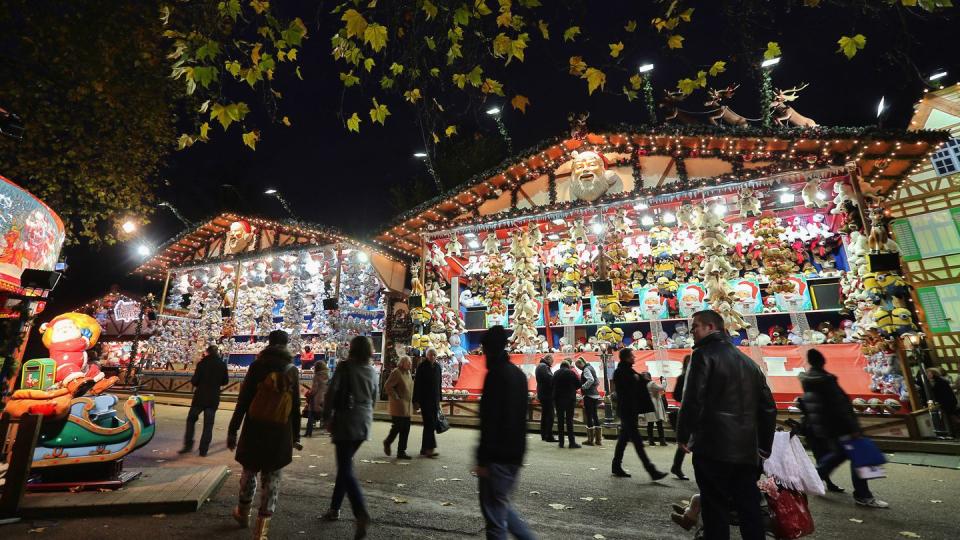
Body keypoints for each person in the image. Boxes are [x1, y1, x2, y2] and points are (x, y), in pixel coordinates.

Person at [677, 310, 777, 540]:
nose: (691, 332)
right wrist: (763, 447)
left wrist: (683, 435)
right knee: (748, 507)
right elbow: (768, 408)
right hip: (746, 450)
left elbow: (692, 399)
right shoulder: (749, 363)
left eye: (695, 327)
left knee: (715, 507)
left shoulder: (702, 355)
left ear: (711, 327)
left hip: (713, 445)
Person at [227, 330, 301, 538]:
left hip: (255, 427)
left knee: (249, 471)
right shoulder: (291, 370)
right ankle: (261, 531)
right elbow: (295, 406)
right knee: (273, 476)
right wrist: (296, 436)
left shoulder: (256, 366)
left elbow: (244, 400)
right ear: (286, 345)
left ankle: (243, 513)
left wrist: (233, 429)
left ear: (269, 343)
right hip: (280, 430)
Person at [799, 348, 889, 508]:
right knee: (859, 459)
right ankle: (863, 495)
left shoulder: (808, 381)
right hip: (841, 427)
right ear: (822, 361)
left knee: (836, 457)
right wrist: (854, 427)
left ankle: (808, 480)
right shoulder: (826, 380)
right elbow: (841, 406)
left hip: (827, 427)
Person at [474, 326, 534, 540]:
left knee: (495, 518)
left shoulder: (495, 376)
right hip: (515, 452)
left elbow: (490, 420)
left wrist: (483, 458)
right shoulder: (518, 375)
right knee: (501, 507)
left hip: (496, 456)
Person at [321, 336, 378, 538]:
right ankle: (334, 508)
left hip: (346, 420)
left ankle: (360, 511)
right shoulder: (373, 371)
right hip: (364, 422)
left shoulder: (345, 367)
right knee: (345, 466)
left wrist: (326, 416)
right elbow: (375, 398)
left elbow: (331, 392)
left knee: (345, 468)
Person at [611, 348, 667, 480]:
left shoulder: (627, 370)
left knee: (623, 440)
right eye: (632, 356)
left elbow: (640, 381)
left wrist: (639, 379)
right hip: (627, 411)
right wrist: (637, 380)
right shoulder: (621, 372)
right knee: (637, 441)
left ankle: (616, 466)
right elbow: (628, 389)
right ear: (626, 357)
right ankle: (651, 470)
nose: (634, 357)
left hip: (629, 410)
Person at [179, 345, 229, 456]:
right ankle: (203, 450)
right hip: (213, 398)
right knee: (208, 424)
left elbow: (195, 381)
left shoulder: (202, 364)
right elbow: (225, 381)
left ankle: (188, 445)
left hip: (200, 398)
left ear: (207, 352)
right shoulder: (222, 365)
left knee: (191, 420)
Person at [413, 347, 442, 458]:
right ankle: (430, 449)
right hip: (425, 401)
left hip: (434, 400)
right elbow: (417, 385)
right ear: (427, 355)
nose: (433, 357)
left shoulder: (438, 367)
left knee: (430, 425)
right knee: (430, 424)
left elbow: (439, 384)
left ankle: (424, 448)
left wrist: (440, 399)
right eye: (431, 355)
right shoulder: (422, 367)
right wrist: (416, 400)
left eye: (434, 355)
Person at [383, 356, 414, 460]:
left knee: (406, 429)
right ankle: (387, 442)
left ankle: (401, 451)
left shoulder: (408, 373)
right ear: (402, 363)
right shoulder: (396, 372)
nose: (410, 365)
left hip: (407, 406)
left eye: (410, 363)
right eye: (408, 363)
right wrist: (396, 397)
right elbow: (387, 386)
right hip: (398, 406)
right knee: (397, 427)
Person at [669, 355, 691, 480]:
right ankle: (676, 467)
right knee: (685, 441)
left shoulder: (698, 377)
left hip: (695, 411)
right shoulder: (682, 378)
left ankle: (676, 467)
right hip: (687, 411)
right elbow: (676, 395)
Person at [552, 360, 581, 449]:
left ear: (561, 366)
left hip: (558, 399)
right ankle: (572, 443)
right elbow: (579, 384)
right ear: (568, 366)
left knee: (560, 421)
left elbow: (552, 385)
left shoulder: (556, 373)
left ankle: (561, 443)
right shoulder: (571, 373)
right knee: (569, 421)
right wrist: (572, 388)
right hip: (569, 399)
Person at [575, 357, 602, 446]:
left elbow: (591, 380)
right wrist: (593, 388)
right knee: (595, 415)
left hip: (589, 396)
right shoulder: (591, 367)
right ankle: (598, 440)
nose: (578, 368)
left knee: (589, 416)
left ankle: (590, 440)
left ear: (580, 364)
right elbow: (597, 382)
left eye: (578, 366)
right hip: (595, 395)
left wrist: (583, 387)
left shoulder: (586, 369)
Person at [927, 367, 960, 433]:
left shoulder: (938, 382)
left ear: (933, 374)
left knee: (951, 417)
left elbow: (939, 395)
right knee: (952, 417)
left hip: (946, 402)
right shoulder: (940, 381)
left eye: (928, 373)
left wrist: (936, 404)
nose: (927, 375)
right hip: (949, 401)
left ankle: (952, 432)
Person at [304, 362, 329, 438]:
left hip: (316, 398)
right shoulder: (327, 375)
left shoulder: (317, 376)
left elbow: (314, 389)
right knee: (324, 414)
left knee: (311, 415)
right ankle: (328, 430)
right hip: (324, 397)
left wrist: (309, 393)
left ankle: (308, 432)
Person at [535, 355, 556, 442]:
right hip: (547, 394)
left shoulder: (540, 366)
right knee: (550, 415)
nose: (552, 362)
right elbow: (549, 379)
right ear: (548, 359)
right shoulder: (544, 367)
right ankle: (549, 436)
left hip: (543, 393)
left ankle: (544, 434)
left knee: (545, 415)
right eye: (552, 361)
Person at [644, 372, 668, 447]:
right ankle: (662, 441)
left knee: (650, 424)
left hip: (648, 404)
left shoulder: (644, 385)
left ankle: (651, 441)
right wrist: (664, 380)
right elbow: (662, 388)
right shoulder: (651, 383)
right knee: (659, 424)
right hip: (655, 405)